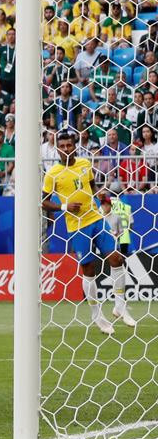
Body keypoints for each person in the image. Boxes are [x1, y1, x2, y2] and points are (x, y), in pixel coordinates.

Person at [41, 132, 136, 334]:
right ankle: (97, 316)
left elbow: (91, 185)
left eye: (69, 145)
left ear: (75, 146)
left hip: (95, 219)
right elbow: (44, 202)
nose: (66, 149)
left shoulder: (84, 164)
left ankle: (120, 306)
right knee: (89, 270)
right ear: (57, 148)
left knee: (117, 259)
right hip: (76, 226)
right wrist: (65, 206)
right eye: (62, 146)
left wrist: (98, 196)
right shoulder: (53, 173)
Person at [101, 192, 136, 325]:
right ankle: (119, 305)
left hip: (106, 242)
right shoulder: (126, 206)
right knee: (119, 269)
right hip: (122, 240)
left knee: (116, 269)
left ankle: (119, 305)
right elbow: (130, 225)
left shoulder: (103, 208)